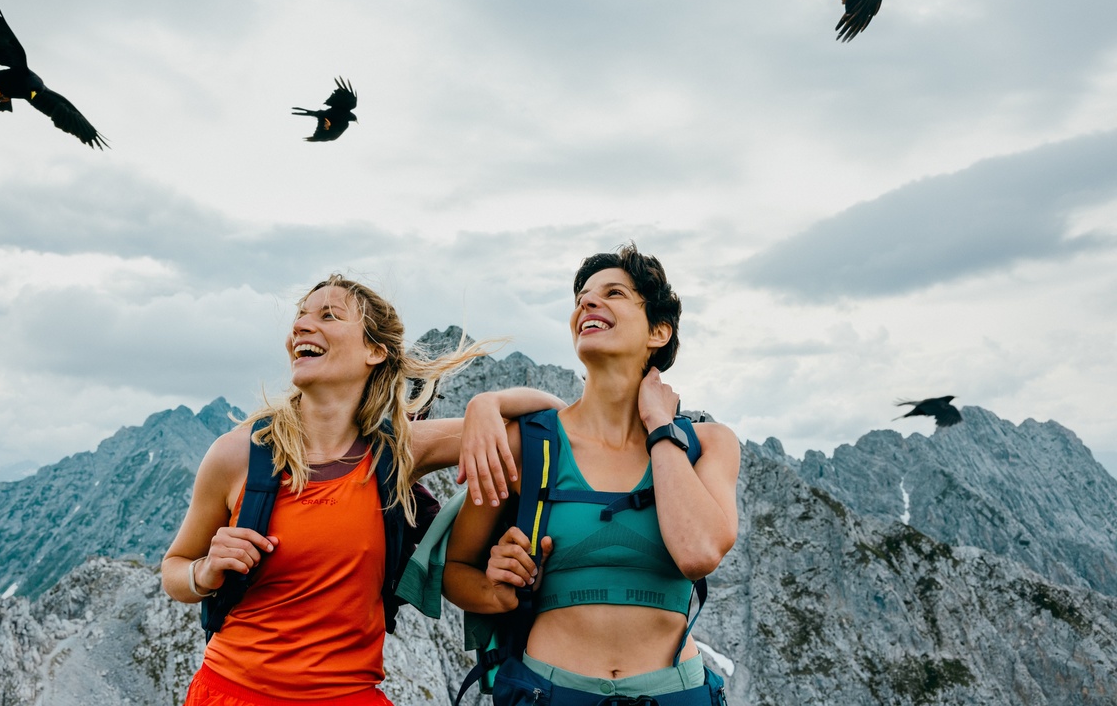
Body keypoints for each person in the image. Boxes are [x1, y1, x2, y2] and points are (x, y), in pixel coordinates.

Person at [162, 273, 564, 706]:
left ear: (375, 350)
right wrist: (204, 573)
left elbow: (552, 418)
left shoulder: (399, 450)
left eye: (328, 315)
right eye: (299, 318)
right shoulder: (237, 455)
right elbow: (174, 570)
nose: (300, 326)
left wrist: (488, 403)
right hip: (228, 692)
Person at [443, 244, 741, 705]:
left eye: (614, 292)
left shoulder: (710, 445)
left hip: (676, 694)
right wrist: (496, 589)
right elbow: (456, 569)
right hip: (548, 692)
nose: (587, 302)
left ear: (658, 332)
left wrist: (661, 428)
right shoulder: (530, 445)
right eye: (582, 296)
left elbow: (698, 552)